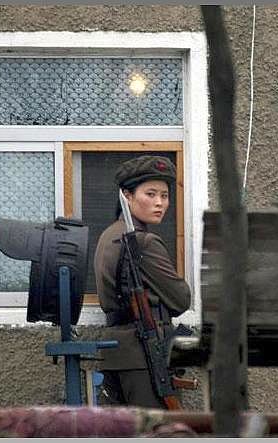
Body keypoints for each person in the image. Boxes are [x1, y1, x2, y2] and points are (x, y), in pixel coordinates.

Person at [94, 155, 191, 408]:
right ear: (127, 196)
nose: (160, 203)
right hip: (145, 356)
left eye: (165, 195)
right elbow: (181, 299)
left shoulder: (108, 235)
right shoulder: (143, 242)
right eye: (150, 194)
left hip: (116, 354)